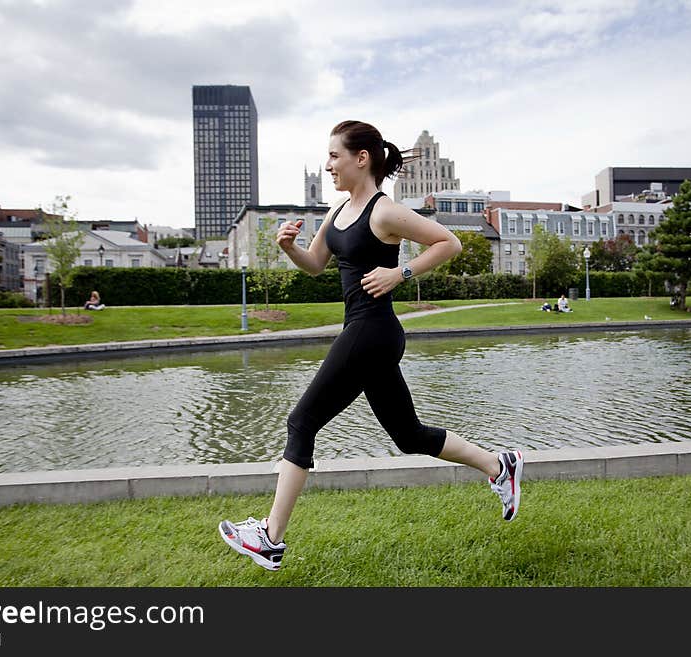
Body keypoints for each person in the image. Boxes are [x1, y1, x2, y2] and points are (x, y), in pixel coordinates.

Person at [218, 120, 524, 572]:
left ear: (362, 158)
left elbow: (450, 242)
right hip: (366, 333)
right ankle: (500, 466)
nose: (328, 166)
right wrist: (289, 248)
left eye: (334, 156)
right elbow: (316, 264)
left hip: (372, 330)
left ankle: (269, 538)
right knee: (408, 435)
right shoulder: (337, 212)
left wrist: (399, 273)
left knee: (301, 422)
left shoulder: (384, 212)